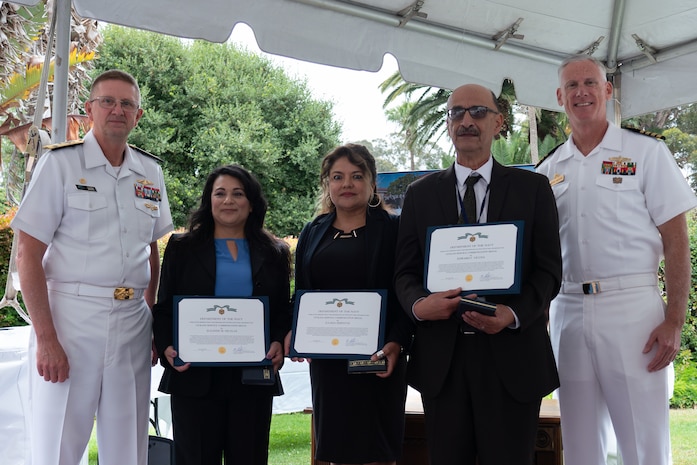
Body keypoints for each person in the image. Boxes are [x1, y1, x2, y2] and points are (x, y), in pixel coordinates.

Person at [536, 54, 697, 465]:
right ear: (559, 96)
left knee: (643, 443)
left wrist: (675, 319)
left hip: (633, 308)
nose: (581, 92)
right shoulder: (547, 170)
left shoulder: (645, 153)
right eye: (571, 86)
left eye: (590, 82)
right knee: (580, 442)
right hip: (568, 308)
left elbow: (677, 241)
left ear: (607, 90)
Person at [394, 84, 562, 465]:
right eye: (457, 113)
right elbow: (403, 272)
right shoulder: (420, 195)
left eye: (478, 112)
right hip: (443, 361)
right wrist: (420, 305)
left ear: (498, 122)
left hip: (513, 357)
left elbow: (549, 271)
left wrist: (512, 314)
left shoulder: (533, 188)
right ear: (448, 123)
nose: (466, 121)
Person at [12, 69, 173, 465]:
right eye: (108, 101)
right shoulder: (61, 165)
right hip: (71, 318)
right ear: (90, 110)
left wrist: (151, 317)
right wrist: (47, 339)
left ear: (138, 115)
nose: (118, 110)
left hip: (132, 319)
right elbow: (27, 254)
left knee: (129, 442)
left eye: (127, 104)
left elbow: (150, 249)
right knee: (60, 442)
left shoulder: (150, 172)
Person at [152, 164, 291, 465]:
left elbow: (282, 309)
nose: (228, 200)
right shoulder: (181, 248)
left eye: (238, 194)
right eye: (220, 193)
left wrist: (279, 340)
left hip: (253, 378)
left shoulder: (275, 252)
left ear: (252, 203)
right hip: (194, 378)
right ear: (209, 201)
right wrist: (166, 347)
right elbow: (163, 308)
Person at [287, 144, 413, 465]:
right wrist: (298, 335)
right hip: (329, 365)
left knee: (377, 451)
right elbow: (302, 292)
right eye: (338, 177)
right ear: (327, 184)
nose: (347, 184)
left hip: (378, 359)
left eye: (357, 176)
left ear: (372, 183)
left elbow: (406, 291)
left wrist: (397, 341)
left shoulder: (394, 229)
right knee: (334, 451)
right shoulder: (312, 232)